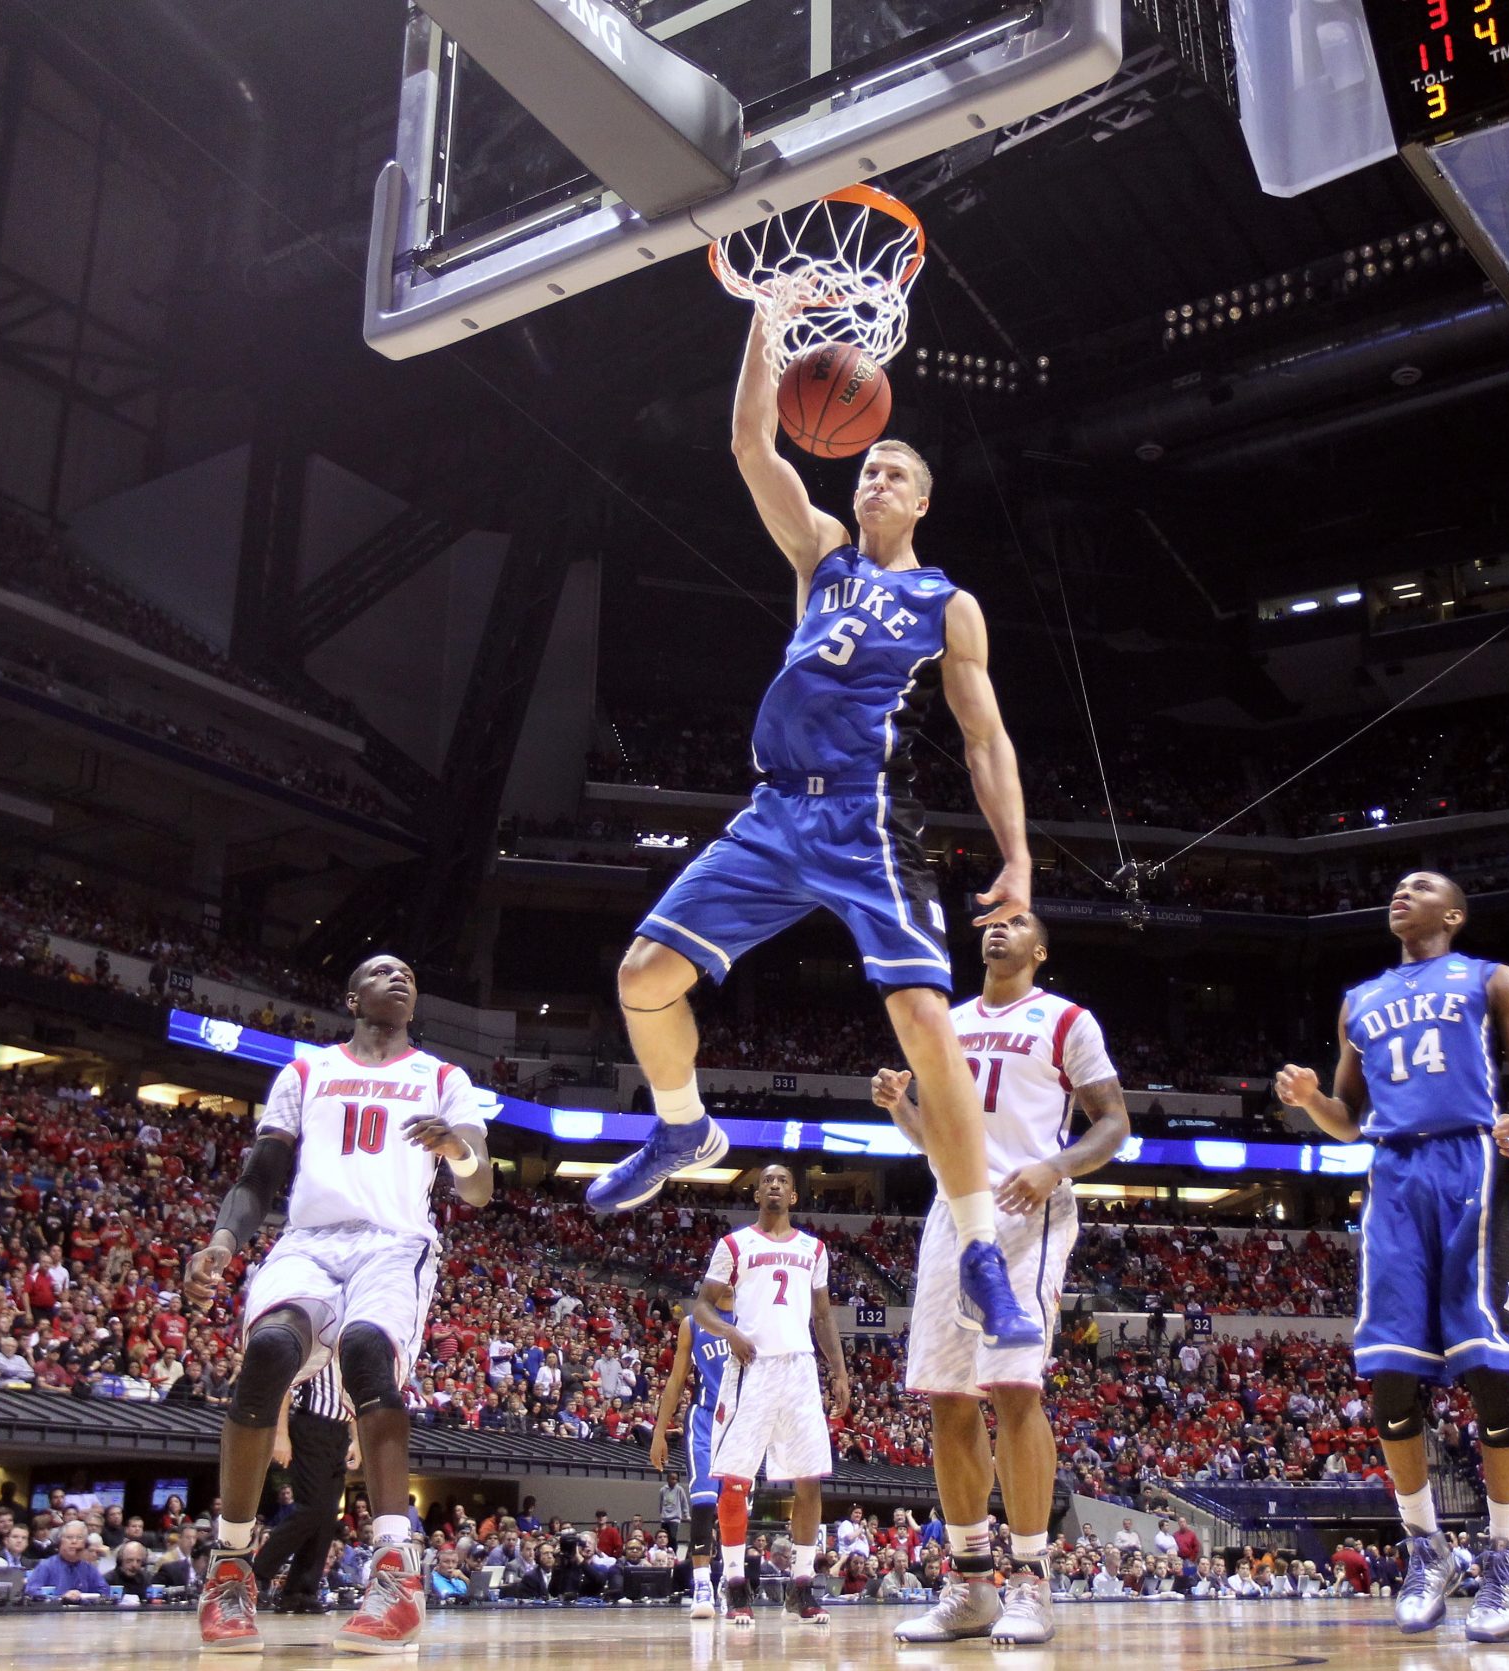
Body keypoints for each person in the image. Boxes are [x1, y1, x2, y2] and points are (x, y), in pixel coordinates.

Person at [586, 308, 1042, 1354]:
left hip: (866, 817)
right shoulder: (822, 558)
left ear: (922, 499)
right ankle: (681, 1126)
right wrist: (763, 323)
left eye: (893, 471)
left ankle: (979, 1252)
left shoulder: (944, 601)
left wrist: (1016, 855)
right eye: (866, 466)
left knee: (928, 1026)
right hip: (773, 812)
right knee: (642, 977)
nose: (873, 479)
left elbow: (984, 738)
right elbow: (751, 443)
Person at [183, 954, 495, 1654]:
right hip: (309, 1239)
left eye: (411, 972)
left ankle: (394, 1569)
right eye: (383, 969)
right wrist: (224, 1241)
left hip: (394, 1243)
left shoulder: (443, 1077)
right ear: (353, 995)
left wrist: (459, 1150)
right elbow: (261, 1170)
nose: (401, 976)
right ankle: (229, 1566)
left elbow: (479, 1185)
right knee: (266, 1351)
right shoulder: (304, 1071)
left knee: (362, 1350)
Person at [1276, 870, 1509, 1643]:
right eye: (1397, 886)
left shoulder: (1490, 978)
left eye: (1422, 886)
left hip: (1473, 1161)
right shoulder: (1358, 999)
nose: (1402, 892)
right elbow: (1346, 1118)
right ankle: (1425, 1548)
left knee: (1490, 1371)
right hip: (1393, 1175)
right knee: (1392, 1377)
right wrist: (1308, 1100)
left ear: (1455, 913)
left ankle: (1507, 1555)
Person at [874, 910, 1130, 1646]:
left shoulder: (1067, 1019)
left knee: (1015, 1388)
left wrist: (1058, 1165)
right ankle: (970, 1585)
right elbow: (937, 1139)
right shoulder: (945, 1021)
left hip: (1029, 1213)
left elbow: (1113, 1121)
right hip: (953, 1214)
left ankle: (1030, 1581)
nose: (997, 928)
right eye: (989, 920)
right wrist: (902, 1109)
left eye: (1016, 922)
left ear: (1040, 949)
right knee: (948, 1401)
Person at [690, 1165, 850, 1627]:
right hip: (751, 1367)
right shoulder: (735, 1245)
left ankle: (802, 1587)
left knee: (809, 1479)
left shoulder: (814, 1248)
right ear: (757, 1191)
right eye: (768, 1180)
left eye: (783, 1180)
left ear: (794, 1195)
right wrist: (729, 1330)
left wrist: (838, 1373)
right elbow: (701, 1305)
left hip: (799, 1369)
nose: (775, 1185)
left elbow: (823, 1317)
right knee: (736, 1478)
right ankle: (735, 1583)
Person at [648, 1300, 739, 1620]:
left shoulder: (752, 1315)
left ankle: (731, 1580)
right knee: (702, 1504)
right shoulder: (692, 1324)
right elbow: (675, 1380)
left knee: (734, 1509)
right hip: (704, 1421)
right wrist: (659, 1431)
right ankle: (702, 1584)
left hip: (743, 1422)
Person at [255, 1362, 354, 1614]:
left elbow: (354, 1400)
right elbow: (285, 1389)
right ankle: (259, 1571)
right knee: (312, 1508)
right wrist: (281, 1435)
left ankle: (300, 1592)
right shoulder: (317, 1345)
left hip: (340, 1432)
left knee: (328, 1514)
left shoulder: (351, 1349)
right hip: (311, 1426)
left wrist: (357, 1440)